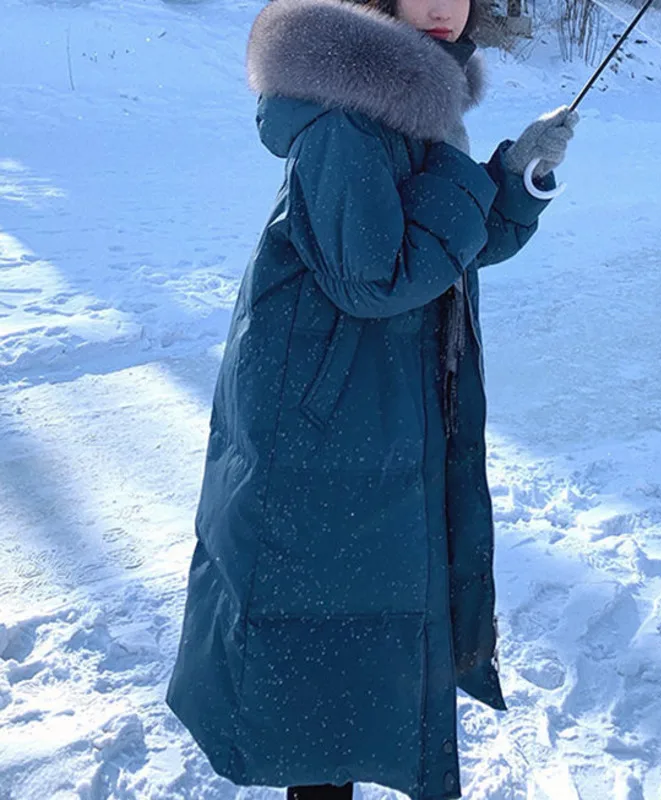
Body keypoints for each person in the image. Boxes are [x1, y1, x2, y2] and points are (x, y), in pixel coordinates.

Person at [165, 0, 578, 798]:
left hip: (376, 414)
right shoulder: (343, 119)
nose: (438, 6)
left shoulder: (414, 101)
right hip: (323, 432)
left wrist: (517, 178)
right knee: (321, 664)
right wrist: (464, 174)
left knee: (359, 645)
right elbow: (377, 274)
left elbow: (449, 245)